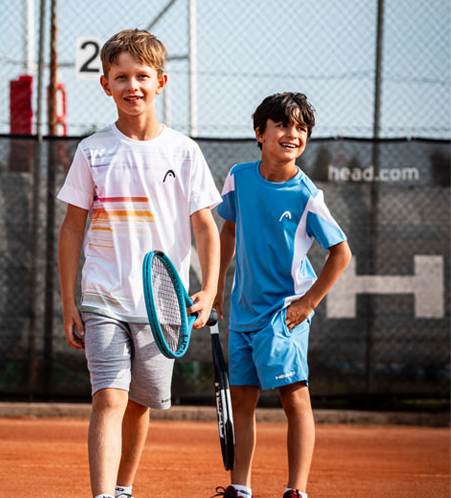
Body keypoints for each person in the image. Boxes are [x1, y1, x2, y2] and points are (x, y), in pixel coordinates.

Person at [57, 29, 221, 498]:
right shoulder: (92, 150)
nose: (133, 86)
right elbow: (72, 229)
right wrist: (70, 302)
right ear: (106, 84)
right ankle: (103, 496)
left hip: (162, 306)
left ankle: (123, 488)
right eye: (121, 77)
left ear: (161, 82)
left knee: (140, 403)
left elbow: (205, 228)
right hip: (102, 298)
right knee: (109, 397)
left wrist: (209, 289)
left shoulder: (184, 151)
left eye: (142, 76)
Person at [212, 92, 352, 498]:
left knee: (294, 398)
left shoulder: (306, 194)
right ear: (260, 132)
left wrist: (307, 304)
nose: (293, 134)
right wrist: (216, 286)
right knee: (242, 400)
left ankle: (296, 491)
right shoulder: (238, 177)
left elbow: (341, 253)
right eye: (284, 125)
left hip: (283, 312)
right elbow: (228, 229)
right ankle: (240, 487)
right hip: (243, 311)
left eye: (302, 128)